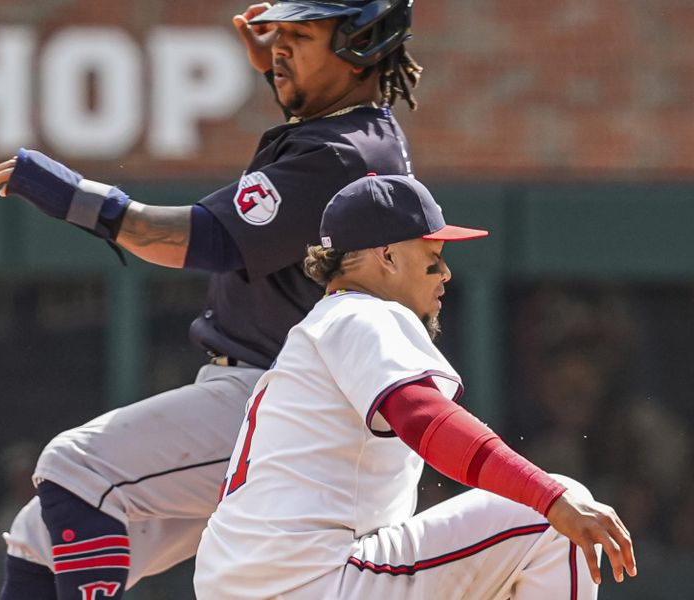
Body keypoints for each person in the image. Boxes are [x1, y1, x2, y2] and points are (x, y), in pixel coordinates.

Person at [0, 1, 423, 598]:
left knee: (75, 466)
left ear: (362, 45)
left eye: (302, 35)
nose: (279, 47)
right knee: (41, 534)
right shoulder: (350, 135)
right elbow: (322, 124)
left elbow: (202, 238)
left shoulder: (342, 155)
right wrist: (278, 69)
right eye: (280, 34)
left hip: (292, 408)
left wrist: (77, 199)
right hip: (273, 402)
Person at [194, 174, 637, 599]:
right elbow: (426, 419)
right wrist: (551, 499)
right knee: (552, 522)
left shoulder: (315, 333)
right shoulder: (363, 314)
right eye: (433, 258)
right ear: (386, 256)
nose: (445, 273)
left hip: (247, 577)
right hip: (315, 579)